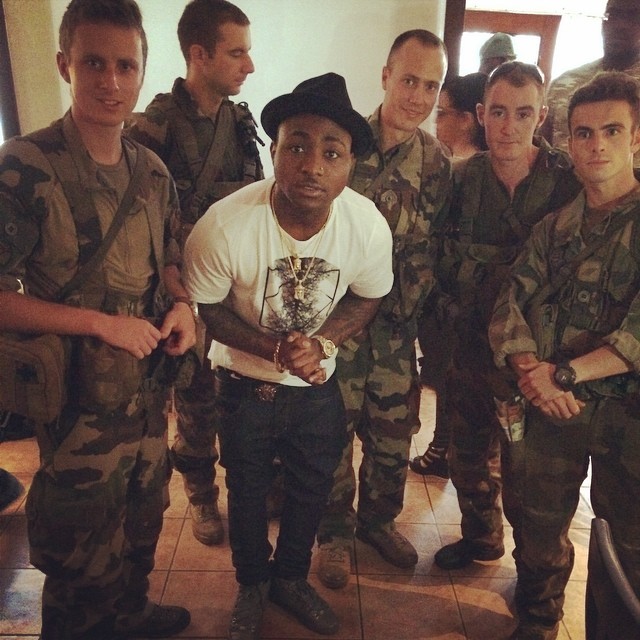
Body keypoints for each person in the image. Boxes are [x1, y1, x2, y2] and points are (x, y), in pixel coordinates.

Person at [0, 1, 197, 638]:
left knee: (143, 521)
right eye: (93, 64)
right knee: (80, 548)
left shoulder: (153, 172)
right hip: (77, 407)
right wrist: (97, 323)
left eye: (125, 66)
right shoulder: (25, 167)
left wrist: (183, 305)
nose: (110, 82)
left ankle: (131, 614)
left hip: (146, 398)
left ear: (142, 70)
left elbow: (170, 261)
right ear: (65, 64)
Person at [183, 72, 393, 640]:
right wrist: (274, 348)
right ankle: (253, 583)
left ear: (351, 164)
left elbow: (369, 295)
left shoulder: (367, 227)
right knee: (247, 489)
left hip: (317, 384)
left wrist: (324, 342)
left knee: (312, 486)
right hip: (242, 384)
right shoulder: (225, 226)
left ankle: (292, 579)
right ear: (274, 151)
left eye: (332, 152)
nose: (312, 166)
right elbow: (207, 306)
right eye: (297, 146)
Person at [489, 70, 640, 640]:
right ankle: (538, 615)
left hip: (626, 414)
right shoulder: (555, 228)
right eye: (583, 133)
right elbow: (510, 302)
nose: (597, 145)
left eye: (611, 130)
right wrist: (532, 373)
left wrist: (565, 375)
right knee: (537, 519)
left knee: (629, 539)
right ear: (568, 142)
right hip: (552, 405)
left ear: (636, 138)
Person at [431, 61, 583, 573]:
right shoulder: (463, 180)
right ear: (481, 115)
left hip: (538, 362)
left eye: (522, 114)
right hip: (472, 350)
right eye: (498, 112)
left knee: (531, 479)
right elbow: (439, 257)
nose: (509, 126)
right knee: (467, 457)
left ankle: (538, 583)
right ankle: (481, 538)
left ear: (540, 117)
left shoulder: (568, 182)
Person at [315, 29, 451, 589]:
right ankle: (332, 535)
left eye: (432, 86)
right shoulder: (343, 145)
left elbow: (438, 245)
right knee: (330, 437)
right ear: (386, 76)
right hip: (340, 326)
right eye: (410, 80)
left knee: (394, 438)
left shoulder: (438, 164)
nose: (418, 96)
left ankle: (377, 523)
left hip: (397, 333)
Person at [127, 0, 263, 547]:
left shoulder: (239, 122)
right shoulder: (153, 126)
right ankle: (201, 492)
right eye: (237, 53)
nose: (249, 65)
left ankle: (254, 484)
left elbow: (256, 201)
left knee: (244, 392)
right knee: (196, 397)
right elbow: (138, 223)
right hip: (180, 289)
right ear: (199, 55)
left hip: (235, 287)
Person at [411, 71, 488, 479]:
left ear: (467, 119)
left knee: (448, 373)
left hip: (455, 296)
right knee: (443, 371)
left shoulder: (465, 171)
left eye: (442, 112)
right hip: (442, 292)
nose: (436, 121)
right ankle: (442, 446)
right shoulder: (453, 166)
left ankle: (444, 447)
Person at [540, 0, 640, 165]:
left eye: (633, 16)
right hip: (565, 181)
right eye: (612, 15)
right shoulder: (563, 84)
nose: (619, 25)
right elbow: (540, 153)